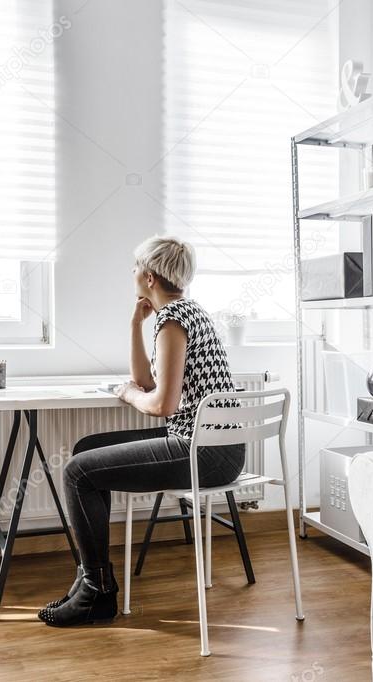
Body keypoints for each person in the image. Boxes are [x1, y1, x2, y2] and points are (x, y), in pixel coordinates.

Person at [38, 236, 244, 627]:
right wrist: (135, 324)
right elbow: (145, 381)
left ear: (149, 277)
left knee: (77, 471)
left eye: (134, 268)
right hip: (215, 447)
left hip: (202, 453)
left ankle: (96, 592)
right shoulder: (188, 312)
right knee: (88, 450)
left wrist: (130, 395)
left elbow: (159, 405)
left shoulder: (174, 320)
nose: (131, 274)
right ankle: (90, 578)